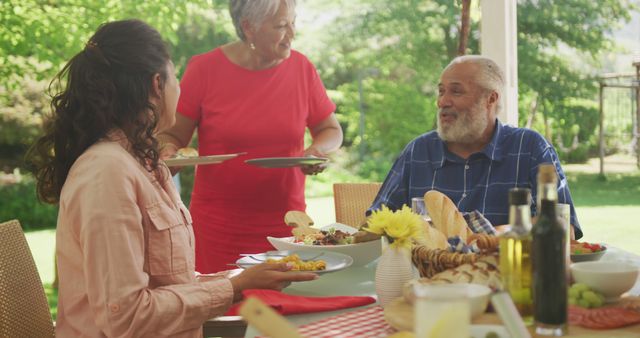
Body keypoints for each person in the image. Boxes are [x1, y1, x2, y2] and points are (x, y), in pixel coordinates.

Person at [26, 19, 317, 337]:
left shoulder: (142, 163)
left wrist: (241, 279)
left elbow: (168, 284)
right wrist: (234, 287)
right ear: (156, 84)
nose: (180, 87)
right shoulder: (106, 174)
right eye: (175, 77)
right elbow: (127, 318)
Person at [157, 0, 343, 273]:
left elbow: (331, 130)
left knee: (284, 310)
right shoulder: (204, 69)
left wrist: (316, 149)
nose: (292, 33)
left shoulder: (302, 69)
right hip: (218, 228)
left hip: (287, 226)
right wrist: (169, 152)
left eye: (293, 22)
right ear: (249, 27)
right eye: (281, 25)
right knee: (221, 307)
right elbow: (171, 135)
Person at [368, 55, 582, 240]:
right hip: (426, 280)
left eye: (456, 92)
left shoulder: (529, 148)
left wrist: (486, 238)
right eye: (441, 92)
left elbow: (562, 227)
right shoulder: (418, 151)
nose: (443, 101)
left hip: (504, 277)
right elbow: (375, 222)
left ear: (490, 98)